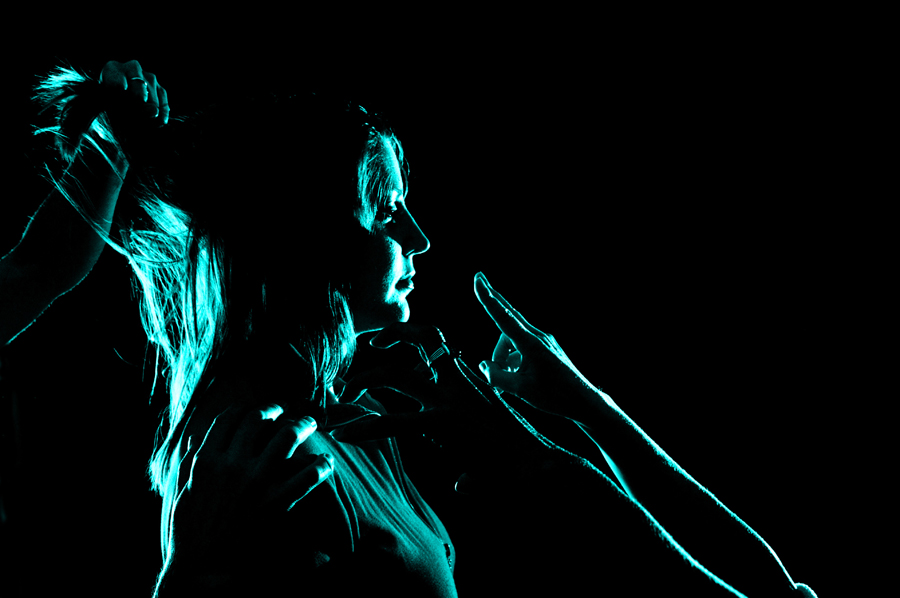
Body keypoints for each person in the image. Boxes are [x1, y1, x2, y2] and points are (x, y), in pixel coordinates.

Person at [15, 58, 817, 597]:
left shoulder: (362, 433)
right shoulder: (254, 461)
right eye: (387, 210)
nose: (421, 241)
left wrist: (575, 422)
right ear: (304, 241)